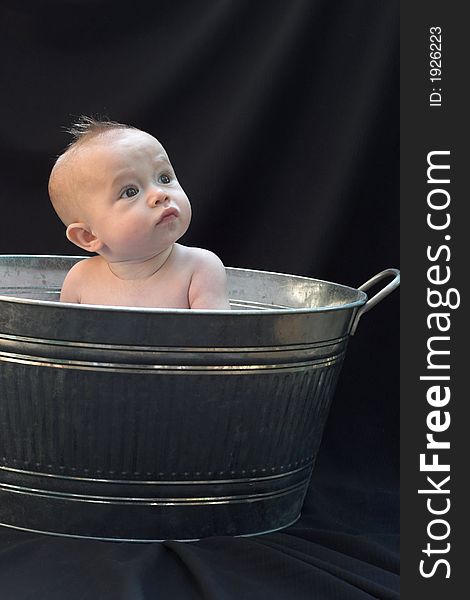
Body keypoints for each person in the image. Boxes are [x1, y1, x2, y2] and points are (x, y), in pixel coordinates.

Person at [48, 116, 230, 309]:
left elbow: (215, 336)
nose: (160, 194)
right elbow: (65, 339)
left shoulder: (200, 269)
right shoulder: (80, 280)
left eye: (164, 178)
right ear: (88, 236)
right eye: (130, 192)